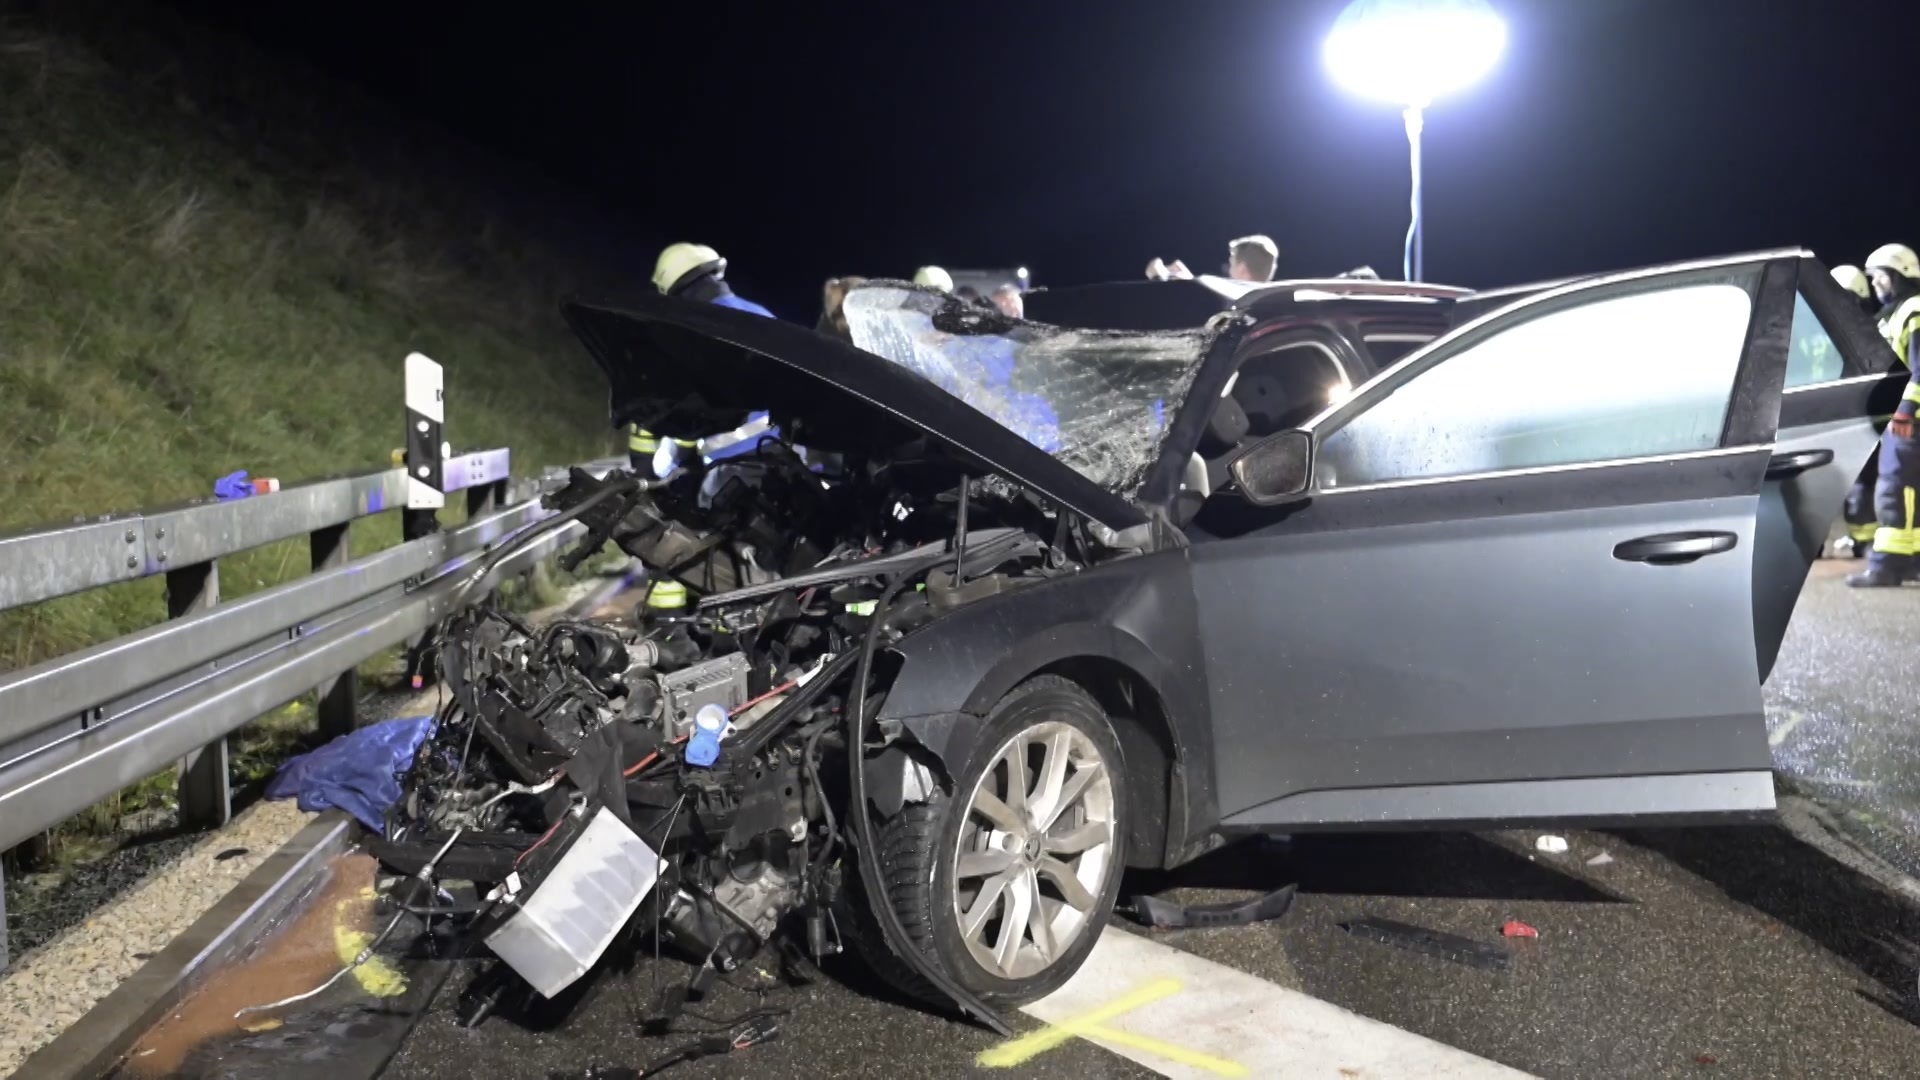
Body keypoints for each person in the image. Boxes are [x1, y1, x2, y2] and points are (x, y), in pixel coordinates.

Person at [629, 243, 776, 474]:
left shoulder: (692, 331)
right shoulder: (763, 316)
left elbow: (690, 407)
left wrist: (654, 469)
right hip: (788, 454)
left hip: (730, 464)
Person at [1847, 243, 1920, 587]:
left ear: (1898, 274)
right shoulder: (1892, 315)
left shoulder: (1914, 310)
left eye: (1879, 276)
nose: (1875, 283)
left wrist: (1906, 411)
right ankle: (1912, 560)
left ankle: (1887, 566)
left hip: (1908, 418)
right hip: (1899, 417)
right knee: (1909, 490)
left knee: (1895, 487)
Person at [1833, 264, 1884, 556]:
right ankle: (1862, 537)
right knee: (1860, 478)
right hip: (1854, 412)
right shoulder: (1866, 329)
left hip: (1842, 412)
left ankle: (1863, 537)